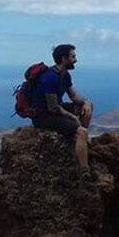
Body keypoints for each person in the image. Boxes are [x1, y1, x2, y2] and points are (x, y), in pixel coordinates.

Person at [31, 44, 95, 180]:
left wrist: (86, 102)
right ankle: (84, 170)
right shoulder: (50, 78)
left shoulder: (64, 75)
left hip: (56, 109)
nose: (76, 60)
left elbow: (73, 96)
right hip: (44, 116)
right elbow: (53, 108)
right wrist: (73, 117)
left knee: (87, 107)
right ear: (64, 59)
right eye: (73, 57)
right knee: (82, 132)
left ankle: (77, 141)